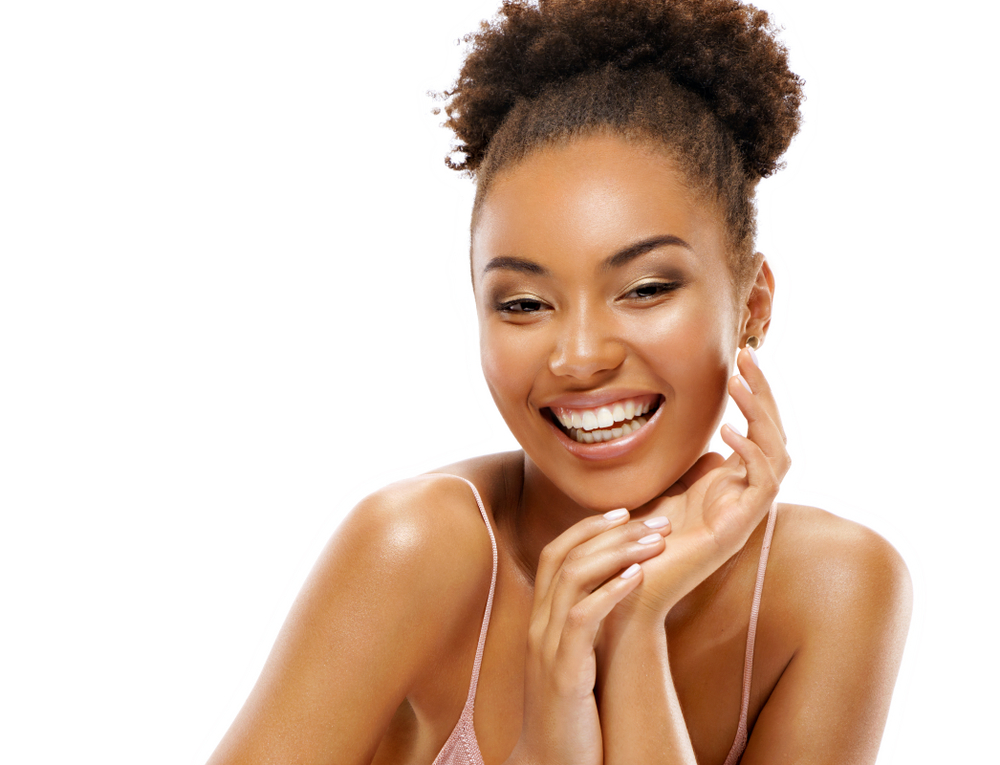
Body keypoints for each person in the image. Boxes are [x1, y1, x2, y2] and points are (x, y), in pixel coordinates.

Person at [207, 0, 912, 763]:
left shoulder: (834, 590)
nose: (578, 357)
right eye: (523, 303)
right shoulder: (413, 551)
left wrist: (634, 625)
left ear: (753, 307)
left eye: (645, 288)